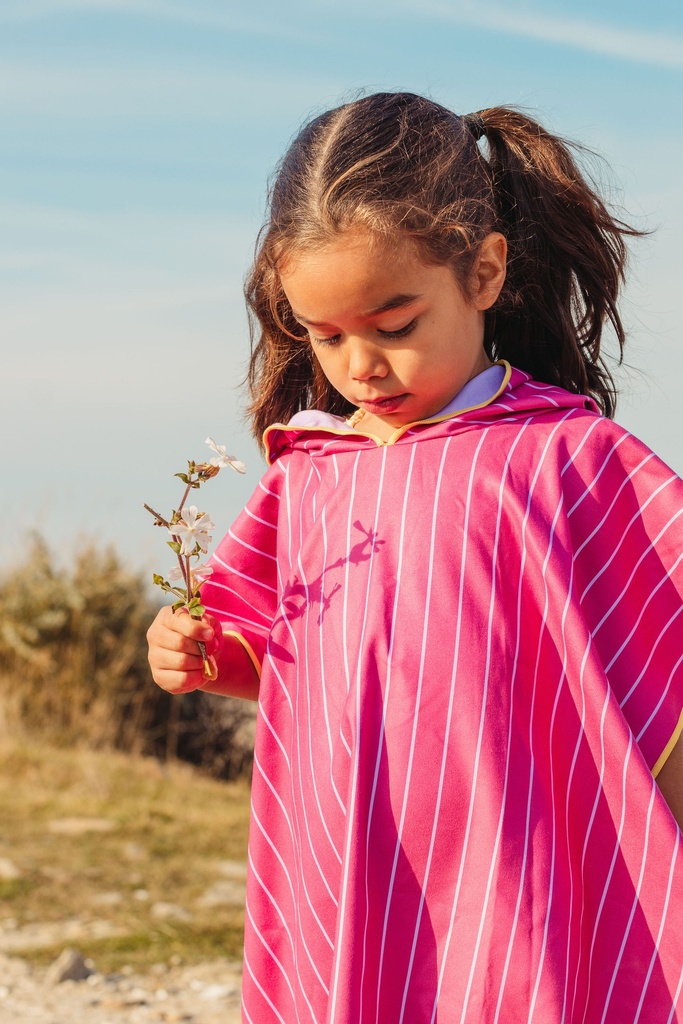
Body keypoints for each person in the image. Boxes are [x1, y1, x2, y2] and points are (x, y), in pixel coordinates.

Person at [147, 92, 683, 1022]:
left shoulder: (568, 458)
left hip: (516, 861)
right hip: (347, 858)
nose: (360, 365)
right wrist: (206, 657)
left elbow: (657, 674)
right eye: (325, 335)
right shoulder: (309, 473)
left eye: (393, 324)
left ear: (482, 272)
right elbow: (290, 663)